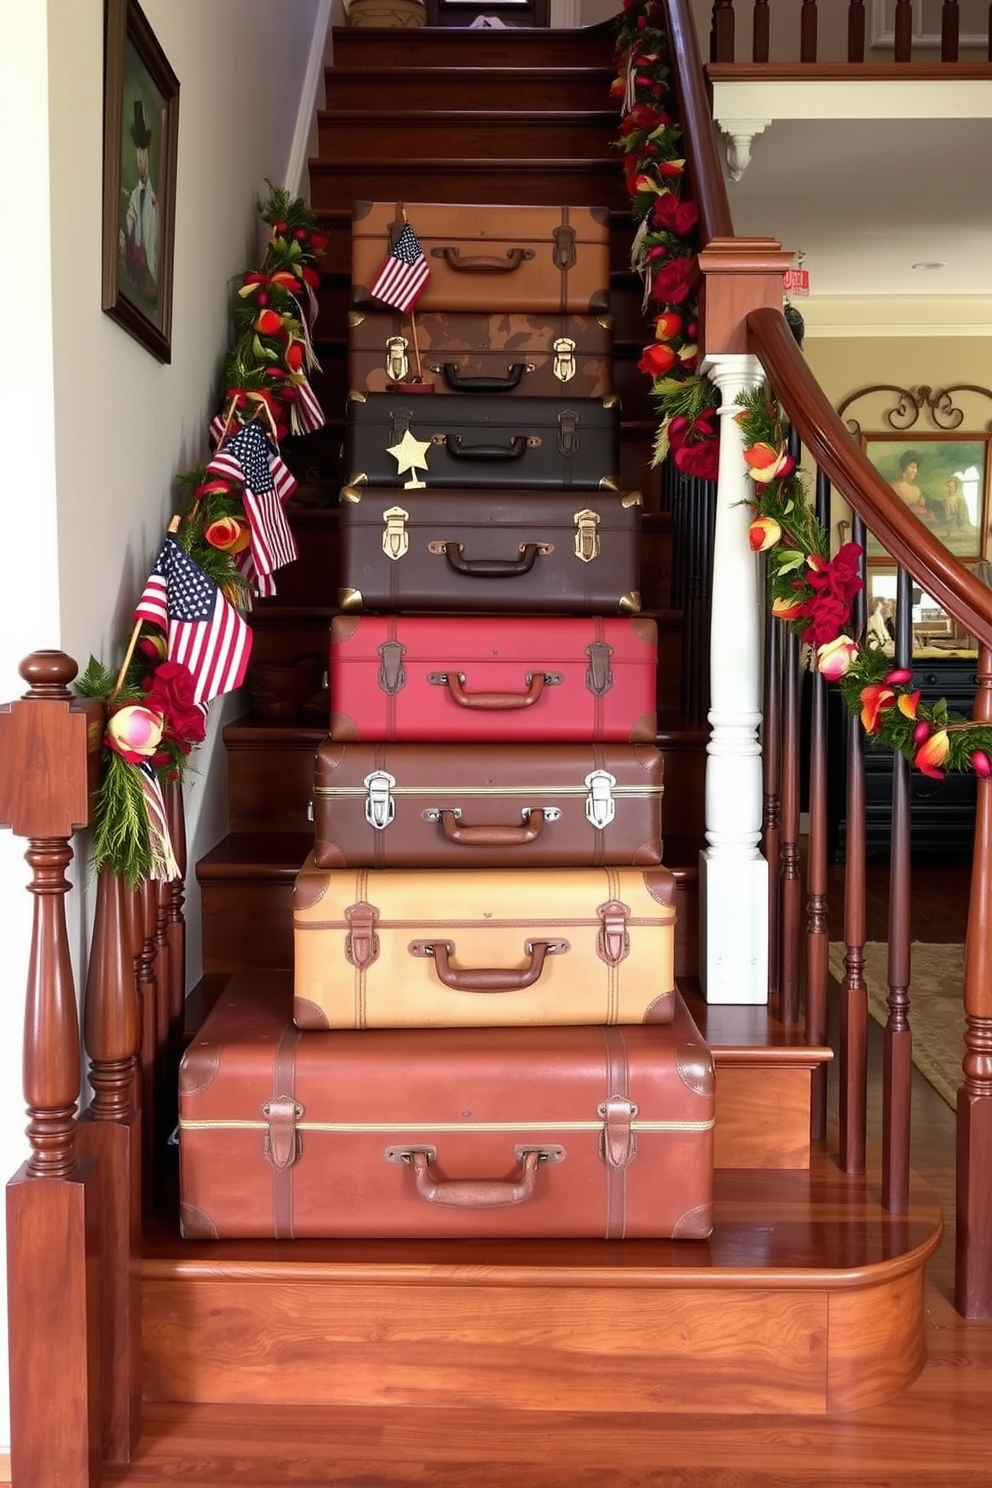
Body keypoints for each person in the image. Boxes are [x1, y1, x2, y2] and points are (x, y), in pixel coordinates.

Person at [120, 100, 158, 304]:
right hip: (140, 267)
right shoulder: (135, 195)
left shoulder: (155, 200)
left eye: (143, 156)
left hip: (150, 269)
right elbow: (131, 220)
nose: (141, 162)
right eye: (138, 156)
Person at [889, 451, 936, 524]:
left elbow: (922, 508)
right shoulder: (895, 486)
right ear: (905, 468)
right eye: (912, 467)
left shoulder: (916, 489)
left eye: (916, 468)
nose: (915, 471)